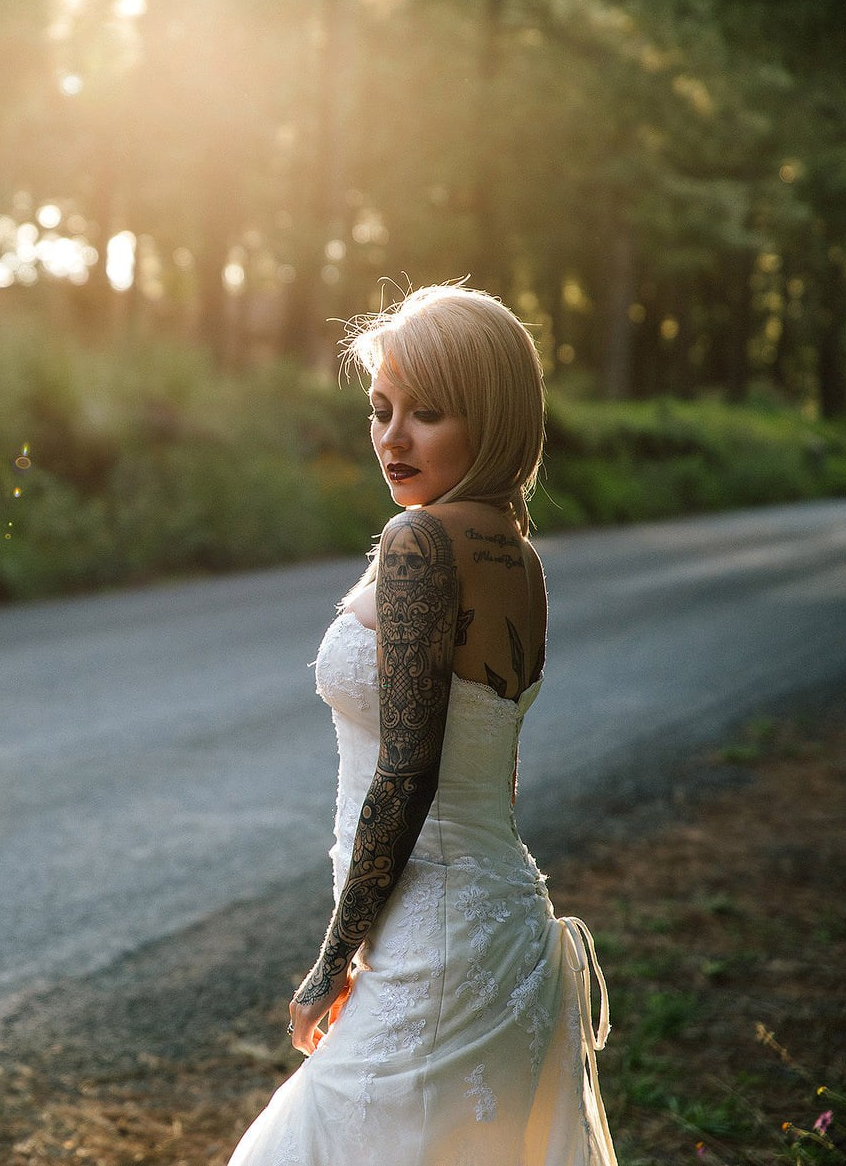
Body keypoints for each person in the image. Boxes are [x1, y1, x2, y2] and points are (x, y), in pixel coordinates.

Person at [225, 285, 618, 1166]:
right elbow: (495, 766)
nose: (392, 438)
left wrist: (333, 961)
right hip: (499, 925)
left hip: (434, 943)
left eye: (428, 413)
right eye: (380, 409)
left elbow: (410, 773)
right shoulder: (519, 557)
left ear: (493, 417)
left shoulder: (419, 544)